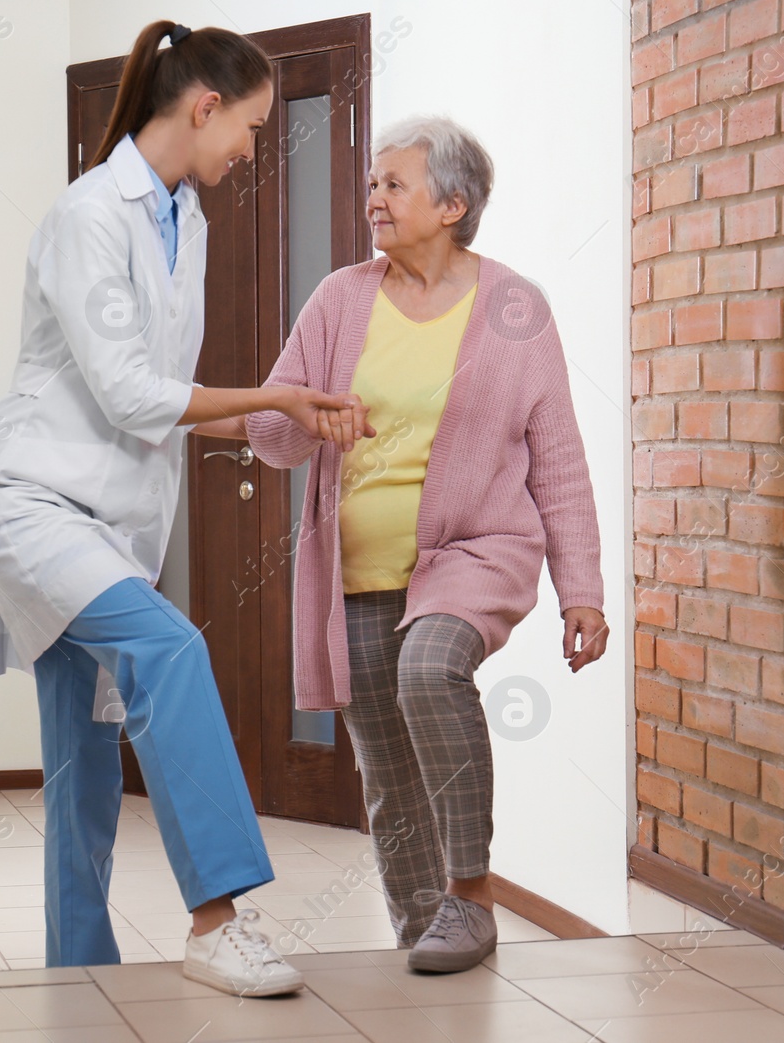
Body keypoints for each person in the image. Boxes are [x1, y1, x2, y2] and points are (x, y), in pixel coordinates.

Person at [0, 19, 370, 997]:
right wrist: (269, 393)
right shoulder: (90, 215)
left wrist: (283, 414)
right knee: (171, 648)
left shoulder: (187, 223)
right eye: (252, 128)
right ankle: (218, 916)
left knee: (82, 765)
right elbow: (134, 395)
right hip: (29, 500)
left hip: (107, 517)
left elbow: (158, 410)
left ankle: (79, 979)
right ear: (203, 105)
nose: (252, 148)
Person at [245, 115, 610, 973]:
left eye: (393, 184)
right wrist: (300, 412)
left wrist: (581, 589)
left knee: (427, 671)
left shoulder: (514, 308)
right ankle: (423, 930)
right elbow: (271, 430)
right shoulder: (340, 298)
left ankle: (470, 893)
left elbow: (557, 455)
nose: (374, 196)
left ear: (453, 204)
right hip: (358, 566)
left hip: (478, 550)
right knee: (383, 751)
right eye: (372, 183)